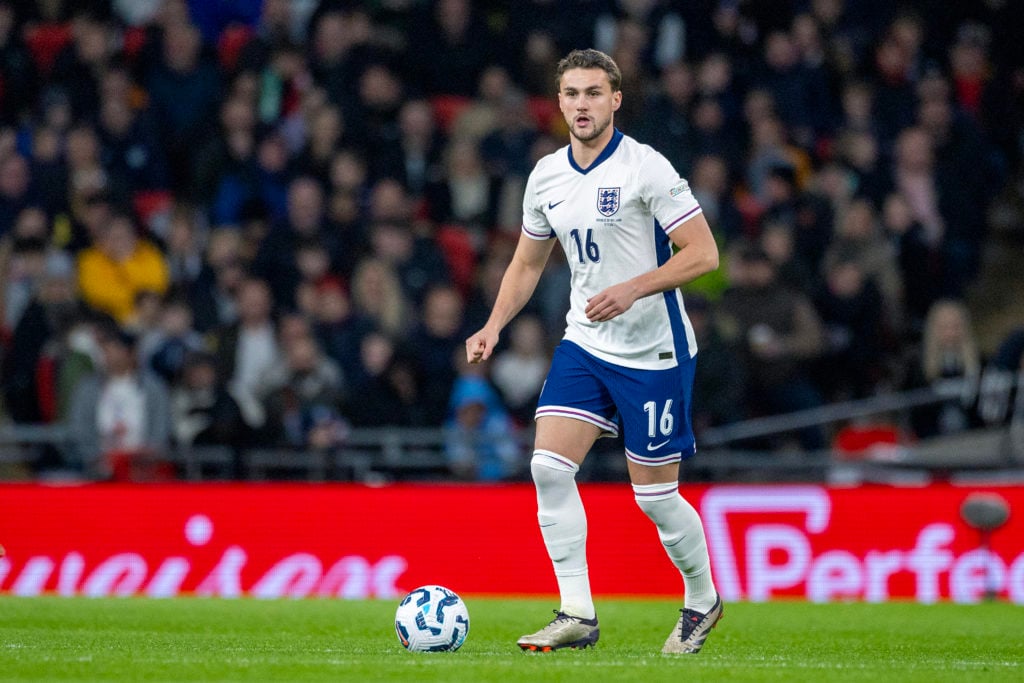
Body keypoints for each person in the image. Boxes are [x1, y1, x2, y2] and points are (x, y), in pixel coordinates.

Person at [465, 49, 722, 655]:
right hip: (586, 341)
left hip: (654, 351)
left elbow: (704, 254)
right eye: (571, 94)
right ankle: (577, 611)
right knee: (548, 467)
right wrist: (495, 324)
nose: (582, 104)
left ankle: (703, 597)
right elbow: (528, 261)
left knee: (655, 498)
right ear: (559, 103)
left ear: (615, 100)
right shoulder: (547, 175)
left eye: (593, 93)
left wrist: (634, 287)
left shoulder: (647, 168)